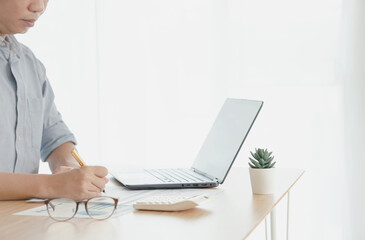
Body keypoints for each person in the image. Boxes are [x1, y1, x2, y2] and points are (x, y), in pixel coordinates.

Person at [0, 0, 108, 200]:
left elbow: (53, 135)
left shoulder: (28, 62)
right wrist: (51, 186)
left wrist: (71, 170)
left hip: (18, 222)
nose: (39, 7)